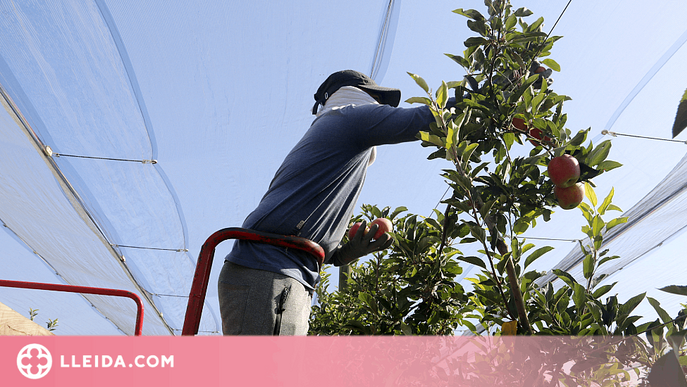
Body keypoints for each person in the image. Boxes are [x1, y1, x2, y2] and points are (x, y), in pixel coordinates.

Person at [218, 70, 449, 335]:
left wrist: (352, 251)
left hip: (282, 271)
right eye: (378, 101)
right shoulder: (349, 117)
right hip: (270, 269)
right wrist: (490, 99)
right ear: (364, 96)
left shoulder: (338, 157)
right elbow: (425, 119)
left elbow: (326, 250)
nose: (381, 111)